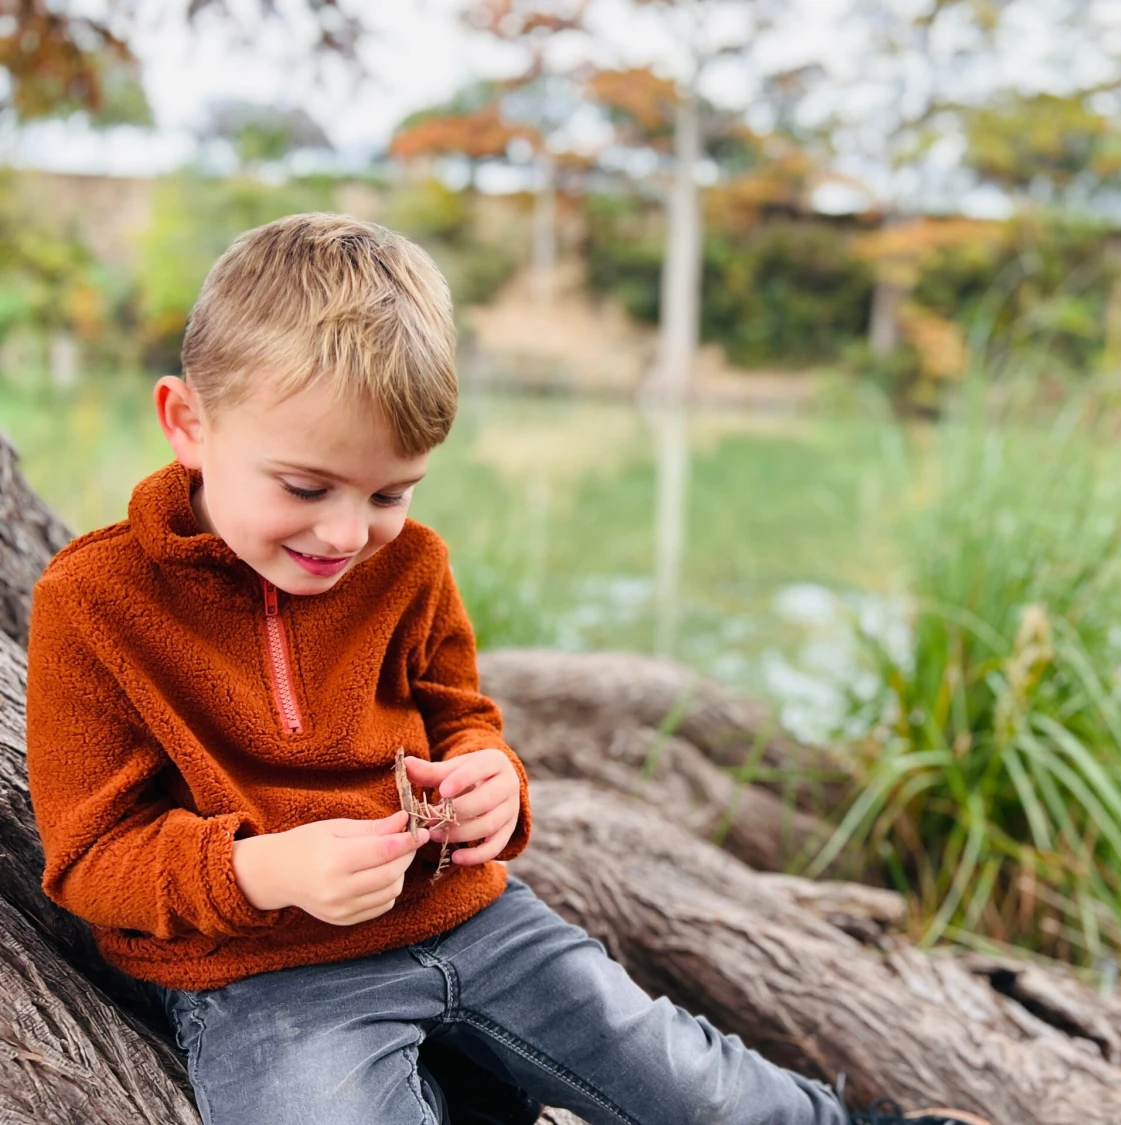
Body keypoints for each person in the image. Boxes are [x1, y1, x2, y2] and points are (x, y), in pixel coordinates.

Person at [24, 213, 990, 1125]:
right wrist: (261, 869)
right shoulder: (93, 602)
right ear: (188, 422)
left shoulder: (411, 566)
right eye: (306, 487)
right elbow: (89, 856)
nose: (347, 532)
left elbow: (462, 718)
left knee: (679, 1074)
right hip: (261, 977)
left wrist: (494, 784)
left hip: (467, 923)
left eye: (390, 491)